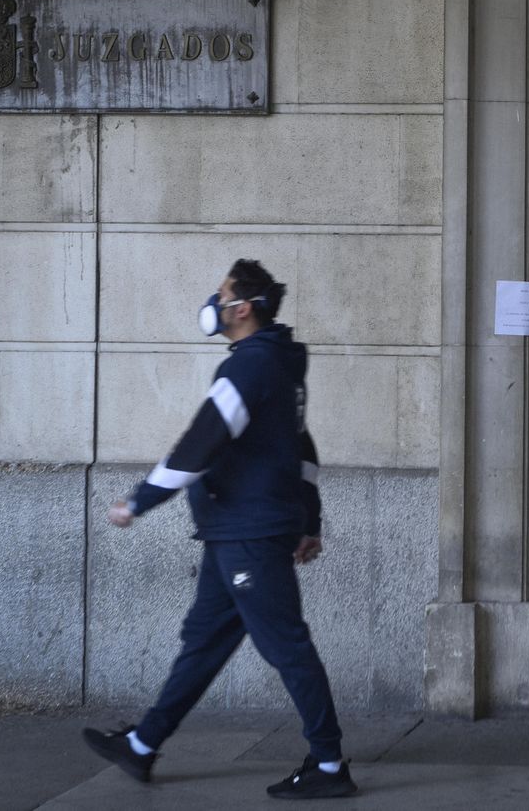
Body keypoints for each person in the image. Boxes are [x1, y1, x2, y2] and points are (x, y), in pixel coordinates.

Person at [82, 259, 356, 800]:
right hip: (236, 531)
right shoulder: (278, 363)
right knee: (204, 643)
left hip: (246, 533)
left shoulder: (250, 366)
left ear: (244, 308)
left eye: (222, 294)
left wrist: (139, 500)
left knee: (288, 647)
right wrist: (309, 521)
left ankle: (328, 766)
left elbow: (202, 442)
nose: (214, 302)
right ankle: (142, 745)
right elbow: (301, 447)